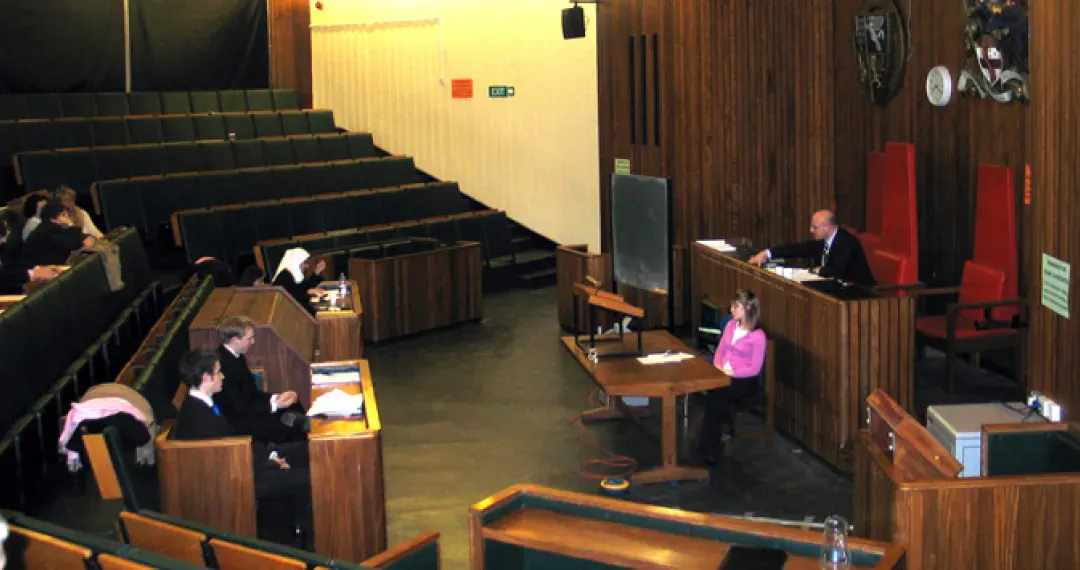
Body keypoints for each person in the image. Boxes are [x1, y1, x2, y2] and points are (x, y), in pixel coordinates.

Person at [170, 349, 311, 545]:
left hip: (246, 460)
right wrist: (271, 462)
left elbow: (234, 441)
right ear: (206, 377)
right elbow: (228, 457)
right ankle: (301, 537)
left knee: (307, 450)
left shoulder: (203, 404)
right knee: (310, 477)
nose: (223, 376)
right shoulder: (200, 418)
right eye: (218, 372)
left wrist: (269, 456)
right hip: (240, 478)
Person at [699, 289, 767, 465]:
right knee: (715, 392)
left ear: (747, 308)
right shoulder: (730, 325)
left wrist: (732, 373)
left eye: (736, 306)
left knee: (717, 395)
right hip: (724, 373)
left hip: (744, 379)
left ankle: (710, 445)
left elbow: (754, 368)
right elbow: (720, 349)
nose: (731, 310)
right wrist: (718, 366)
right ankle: (717, 436)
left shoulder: (758, 336)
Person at [216, 315, 309, 443]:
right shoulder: (223, 364)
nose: (253, 342)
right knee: (292, 428)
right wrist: (273, 405)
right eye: (250, 338)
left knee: (293, 404)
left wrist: (276, 397)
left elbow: (251, 392)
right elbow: (237, 407)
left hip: (250, 410)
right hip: (241, 422)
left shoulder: (237, 356)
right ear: (235, 340)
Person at [747, 209, 876, 287]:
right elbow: (798, 249)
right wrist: (767, 253)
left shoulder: (846, 242)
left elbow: (838, 270)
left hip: (859, 294)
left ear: (828, 227)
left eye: (815, 227)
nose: (811, 230)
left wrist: (819, 270)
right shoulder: (823, 240)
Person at [19, 200, 97, 268]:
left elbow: (85, 239)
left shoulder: (57, 228)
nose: (68, 218)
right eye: (63, 215)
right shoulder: (44, 232)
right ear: (53, 219)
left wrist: (89, 239)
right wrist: (71, 225)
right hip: (39, 276)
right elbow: (73, 244)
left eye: (67, 214)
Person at [0, 218, 61, 293]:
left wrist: (37, 269)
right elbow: (4, 277)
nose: (8, 233)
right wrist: (32, 274)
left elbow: (13, 266)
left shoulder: (4, 248)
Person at [271, 248, 326, 315]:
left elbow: (303, 288)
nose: (307, 266)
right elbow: (295, 299)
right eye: (304, 263)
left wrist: (317, 272)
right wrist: (308, 293)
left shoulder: (291, 275)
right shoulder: (285, 277)